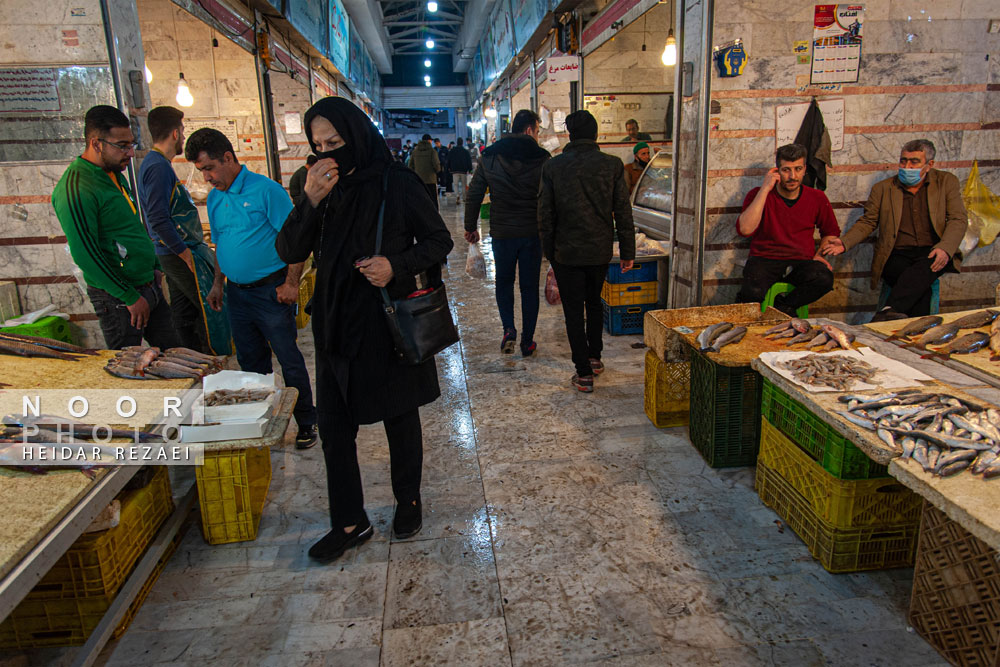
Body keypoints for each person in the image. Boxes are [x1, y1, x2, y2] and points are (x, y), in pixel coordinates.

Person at [275, 97, 454, 563]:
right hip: (335, 324)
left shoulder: (397, 182)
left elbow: (439, 240)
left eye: (335, 142)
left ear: (355, 135)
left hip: (385, 322)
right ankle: (350, 522)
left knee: (399, 417)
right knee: (335, 428)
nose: (328, 153)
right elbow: (288, 247)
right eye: (318, 145)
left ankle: (408, 501)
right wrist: (309, 199)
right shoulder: (317, 185)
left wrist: (395, 264)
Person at [184, 128, 318, 449]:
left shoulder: (266, 191)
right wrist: (218, 283)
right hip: (236, 295)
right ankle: (262, 422)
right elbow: (221, 244)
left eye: (209, 168)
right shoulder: (216, 198)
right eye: (201, 171)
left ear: (228, 158)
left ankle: (306, 422)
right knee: (251, 364)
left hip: (270, 292)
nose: (206, 178)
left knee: (288, 359)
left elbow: (296, 240)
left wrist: (290, 284)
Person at [52, 105, 181, 350]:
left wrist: (154, 266)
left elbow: (131, 224)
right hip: (119, 298)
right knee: (128, 364)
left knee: (172, 354)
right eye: (122, 145)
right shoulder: (77, 187)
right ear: (96, 143)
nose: (130, 153)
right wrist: (129, 296)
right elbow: (85, 254)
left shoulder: (113, 174)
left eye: (131, 144)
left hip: (146, 285)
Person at [538, 110, 635, 393]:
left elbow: (545, 215)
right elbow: (623, 211)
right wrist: (627, 250)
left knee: (572, 311)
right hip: (599, 250)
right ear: (596, 135)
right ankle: (595, 358)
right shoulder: (612, 165)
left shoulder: (553, 167)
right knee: (594, 304)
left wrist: (550, 254)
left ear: (570, 135)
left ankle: (583, 373)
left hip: (566, 252)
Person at [821, 139, 968, 320]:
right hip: (895, 253)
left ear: (929, 165)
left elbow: (958, 218)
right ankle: (904, 325)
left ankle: (888, 313)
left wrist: (945, 248)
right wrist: (845, 242)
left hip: (931, 251)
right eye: (903, 160)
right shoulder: (883, 189)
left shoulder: (945, 182)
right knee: (918, 285)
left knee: (924, 269)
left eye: (914, 161)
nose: (907, 166)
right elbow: (868, 221)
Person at [137, 106, 228, 355]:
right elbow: (157, 218)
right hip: (174, 251)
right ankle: (208, 356)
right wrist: (184, 253)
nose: (184, 136)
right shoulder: (157, 166)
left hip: (171, 252)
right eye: (183, 130)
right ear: (176, 133)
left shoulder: (156, 164)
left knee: (183, 307)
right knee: (206, 305)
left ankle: (189, 356)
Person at [464, 110, 551, 356]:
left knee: (503, 281)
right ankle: (528, 341)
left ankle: (508, 330)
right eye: (537, 129)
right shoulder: (542, 157)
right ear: (528, 130)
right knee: (528, 287)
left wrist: (470, 227)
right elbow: (550, 196)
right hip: (532, 232)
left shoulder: (489, 155)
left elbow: (475, 193)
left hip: (502, 232)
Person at [735, 143, 840, 315]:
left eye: (798, 169)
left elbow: (830, 232)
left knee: (823, 278)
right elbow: (745, 229)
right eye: (786, 170)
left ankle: (781, 309)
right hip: (765, 258)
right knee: (751, 290)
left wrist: (819, 255)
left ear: (805, 169)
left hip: (801, 261)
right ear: (776, 171)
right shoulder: (757, 194)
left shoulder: (817, 198)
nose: (793, 176)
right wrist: (765, 189)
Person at [406, 133, 441, 209]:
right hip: (431, 180)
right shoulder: (432, 151)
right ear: (429, 141)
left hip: (419, 180)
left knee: (420, 200)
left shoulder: (415, 151)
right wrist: (437, 171)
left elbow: (410, 165)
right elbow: (436, 165)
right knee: (433, 201)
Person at [447, 137, 473, 204]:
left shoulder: (452, 151)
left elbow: (448, 160)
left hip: (454, 170)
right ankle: (464, 198)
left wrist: (448, 168)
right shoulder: (465, 151)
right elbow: (469, 161)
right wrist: (470, 169)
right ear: (462, 143)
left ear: (457, 142)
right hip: (463, 170)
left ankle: (457, 196)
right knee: (464, 185)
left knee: (455, 185)